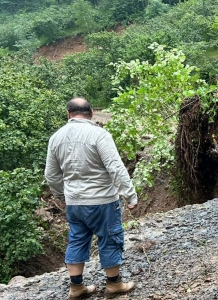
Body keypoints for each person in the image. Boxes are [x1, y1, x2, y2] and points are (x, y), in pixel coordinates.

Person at [45, 98, 138, 299]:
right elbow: (115, 167)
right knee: (110, 238)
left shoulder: (56, 137)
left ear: (68, 114)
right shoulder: (99, 135)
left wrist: (61, 194)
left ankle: (76, 287)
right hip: (103, 200)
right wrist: (130, 195)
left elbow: (51, 175)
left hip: (74, 203)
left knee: (77, 240)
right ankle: (114, 284)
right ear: (92, 114)